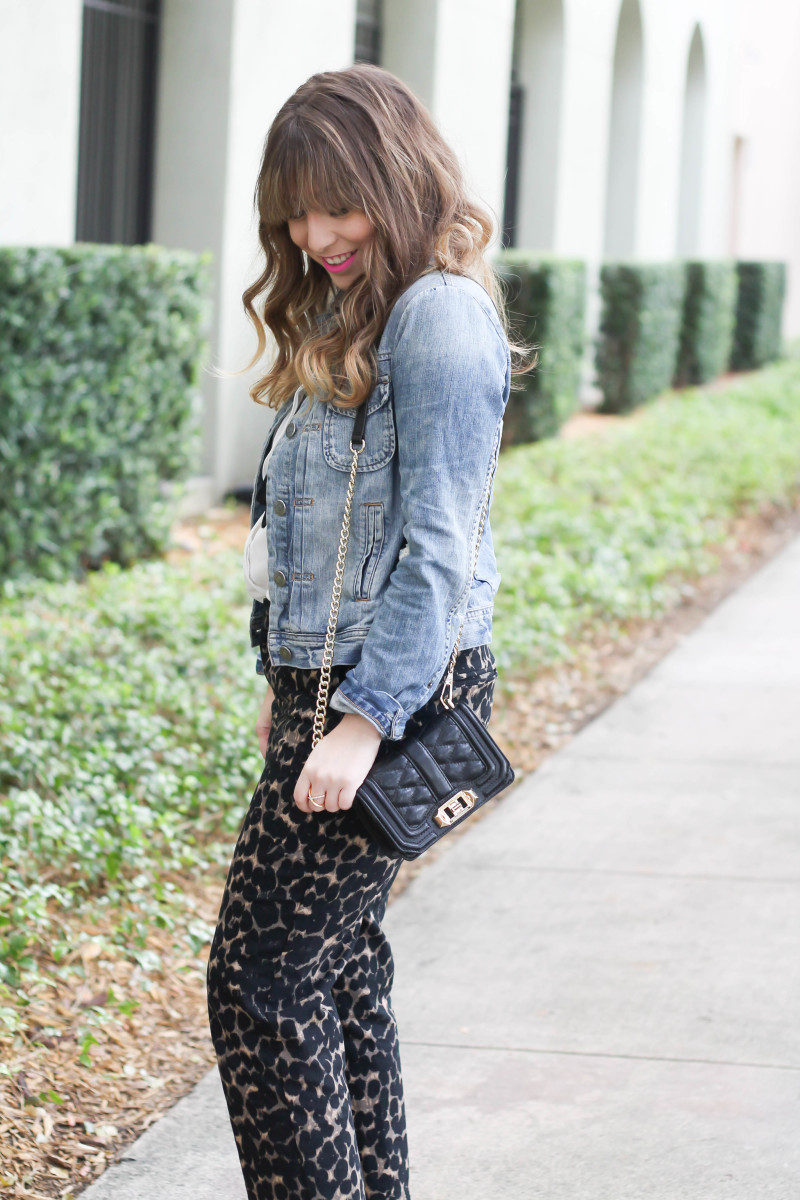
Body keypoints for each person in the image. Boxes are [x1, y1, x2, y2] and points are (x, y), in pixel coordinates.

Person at [206, 62, 534, 1200]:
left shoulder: (437, 317)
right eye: (295, 210)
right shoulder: (355, 312)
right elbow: (305, 532)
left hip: (387, 699)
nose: (314, 233)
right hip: (328, 693)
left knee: (261, 985)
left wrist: (357, 721)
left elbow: (439, 546)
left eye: (337, 204)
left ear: (395, 182)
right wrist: (285, 677)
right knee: (336, 973)